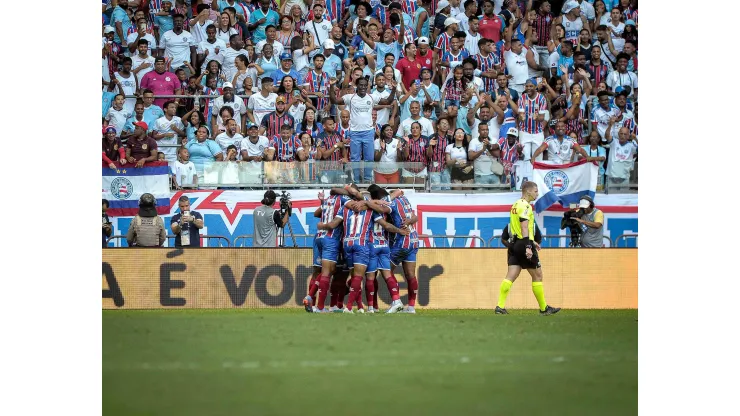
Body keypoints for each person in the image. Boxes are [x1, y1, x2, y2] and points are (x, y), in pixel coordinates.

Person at [495, 181, 561, 315]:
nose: (537, 193)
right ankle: (544, 309)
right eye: (536, 191)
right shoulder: (526, 206)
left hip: (514, 245)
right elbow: (524, 226)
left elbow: (517, 227)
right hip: (523, 245)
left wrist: (531, 241)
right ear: (528, 191)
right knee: (538, 275)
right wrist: (528, 246)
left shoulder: (515, 205)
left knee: (510, 276)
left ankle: (499, 306)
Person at [329, 76, 397, 182]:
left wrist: (394, 88)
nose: (363, 87)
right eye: (361, 85)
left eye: (365, 85)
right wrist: (332, 86)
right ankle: (356, 181)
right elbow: (334, 100)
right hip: (355, 133)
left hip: (368, 132)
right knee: (355, 159)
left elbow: (388, 100)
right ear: (356, 85)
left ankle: (367, 180)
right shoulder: (349, 97)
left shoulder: (372, 97)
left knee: (369, 158)